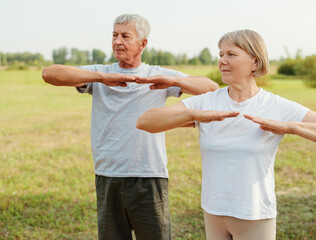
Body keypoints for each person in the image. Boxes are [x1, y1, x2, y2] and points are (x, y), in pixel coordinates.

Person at [136, 29, 316, 240]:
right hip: (214, 212)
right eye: (220, 54)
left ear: (255, 62)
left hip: (254, 215)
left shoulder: (274, 105)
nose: (222, 60)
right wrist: (193, 114)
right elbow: (145, 122)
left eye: (231, 54)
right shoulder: (205, 101)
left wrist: (291, 127)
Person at [42, 14, 218, 240]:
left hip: (149, 176)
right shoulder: (99, 73)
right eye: (114, 35)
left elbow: (211, 88)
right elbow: (49, 74)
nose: (117, 41)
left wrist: (173, 81)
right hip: (108, 175)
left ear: (143, 43)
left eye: (125, 36)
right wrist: (102, 78)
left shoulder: (157, 74)